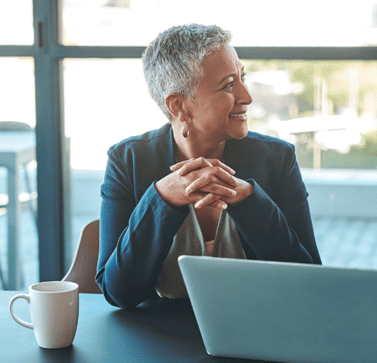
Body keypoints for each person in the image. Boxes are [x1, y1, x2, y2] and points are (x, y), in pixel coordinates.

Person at [96, 24, 321, 309]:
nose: (247, 96)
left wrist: (250, 200)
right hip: (161, 340)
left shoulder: (277, 159)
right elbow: (118, 293)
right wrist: (160, 200)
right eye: (228, 84)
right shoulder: (126, 160)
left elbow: (310, 279)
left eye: (242, 78)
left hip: (260, 327)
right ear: (178, 106)